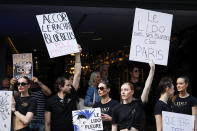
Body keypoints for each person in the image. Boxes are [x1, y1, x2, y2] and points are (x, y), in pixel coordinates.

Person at [45, 45, 82, 131]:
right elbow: (47, 123)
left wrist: (77, 54)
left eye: (70, 85)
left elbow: (77, 74)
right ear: (60, 87)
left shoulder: (71, 94)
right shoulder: (50, 101)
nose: (70, 87)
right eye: (68, 85)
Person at [112, 60, 155, 131]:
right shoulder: (116, 109)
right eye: (121, 90)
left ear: (132, 92)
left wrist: (152, 69)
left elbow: (147, 87)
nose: (123, 92)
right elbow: (114, 128)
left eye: (126, 90)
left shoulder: (138, 105)